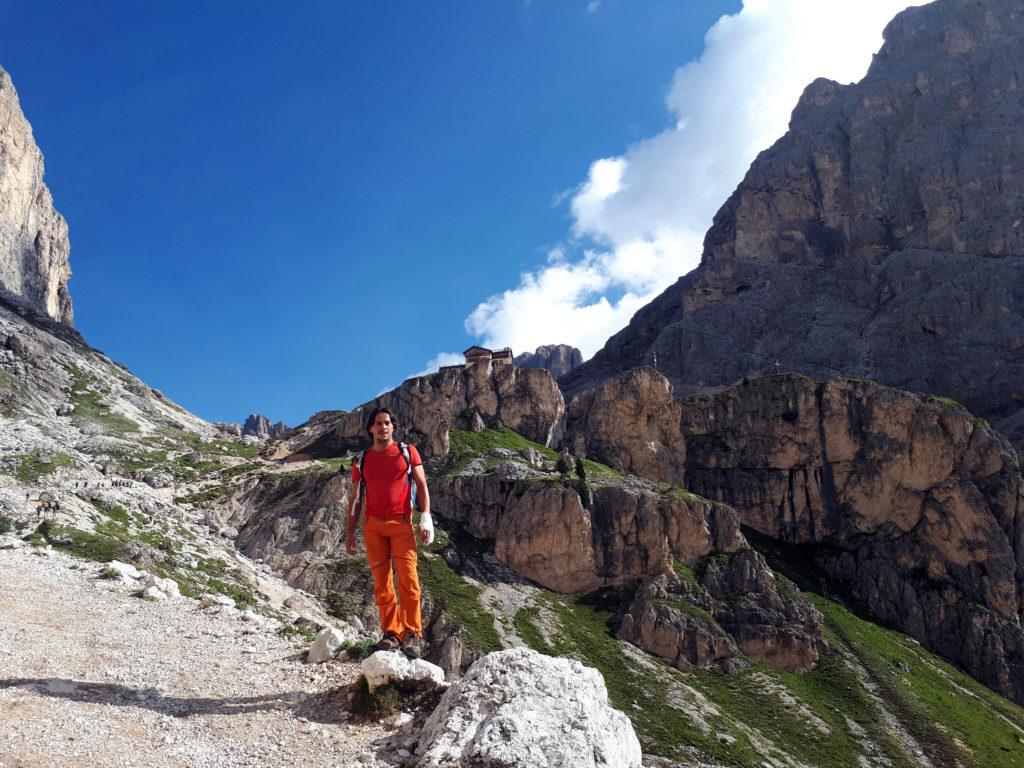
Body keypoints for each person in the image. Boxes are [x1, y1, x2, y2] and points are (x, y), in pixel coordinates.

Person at [346, 406, 434, 658]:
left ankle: (413, 634)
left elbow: (421, 483)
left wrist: (425, 517)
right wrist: (350, 533)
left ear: (392, 426)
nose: (383, 427)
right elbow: (355, 500)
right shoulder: (361, 461)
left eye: (387, 423)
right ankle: (391, 633)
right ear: (370, 428)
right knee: (382, 583)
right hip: (373, 527)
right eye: (378, 423)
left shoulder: (407, 452)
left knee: (409, 580)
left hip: (401, 524)